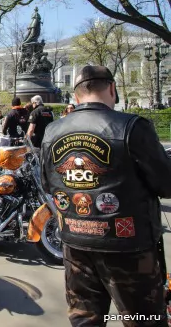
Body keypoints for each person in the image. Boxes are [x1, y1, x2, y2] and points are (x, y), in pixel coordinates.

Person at [41, 65, 171, 326]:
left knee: (84, 319)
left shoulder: (52, 132)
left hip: (75, 242)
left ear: (76, 96)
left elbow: (47, 183)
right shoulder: (133, 126)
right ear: (112, 89)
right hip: (127, 246)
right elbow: (166, 184)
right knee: (145, 319)